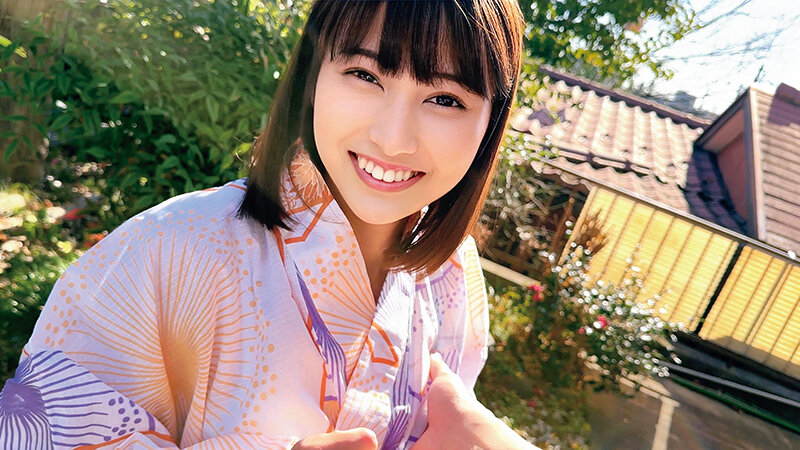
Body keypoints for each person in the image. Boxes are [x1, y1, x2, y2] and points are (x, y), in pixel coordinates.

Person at [0, 0, 536, 448]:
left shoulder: (451, 275)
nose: (393, 139)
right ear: (313, 76)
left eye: (444, 99)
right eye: (364, 74)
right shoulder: (166, 250)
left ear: (491, 122)